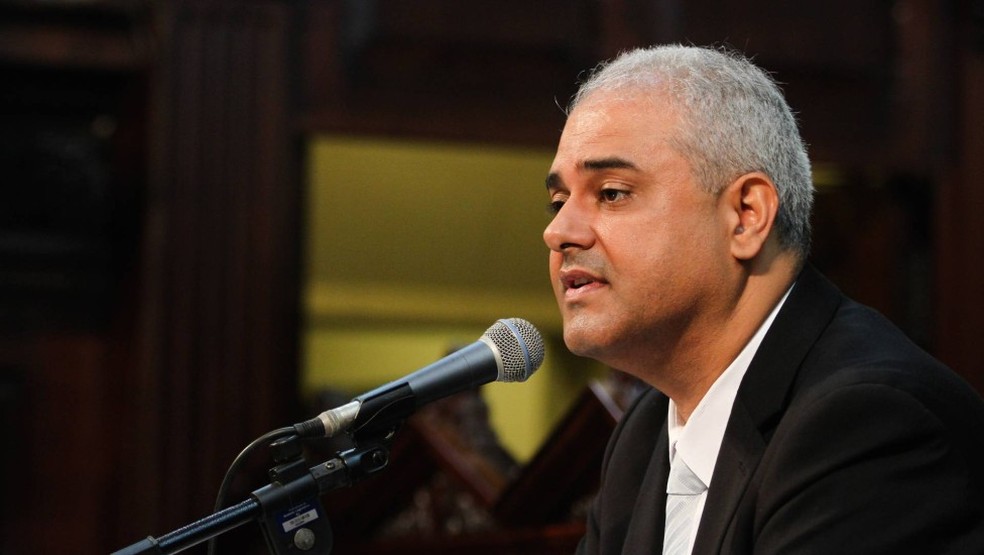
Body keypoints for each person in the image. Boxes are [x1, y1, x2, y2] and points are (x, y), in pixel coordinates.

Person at [542, 44, 984, 554]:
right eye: (558, 201)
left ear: (746, 216)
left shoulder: (867, 421)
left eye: (612, 193)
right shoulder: (642, 437)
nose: (559, 232)